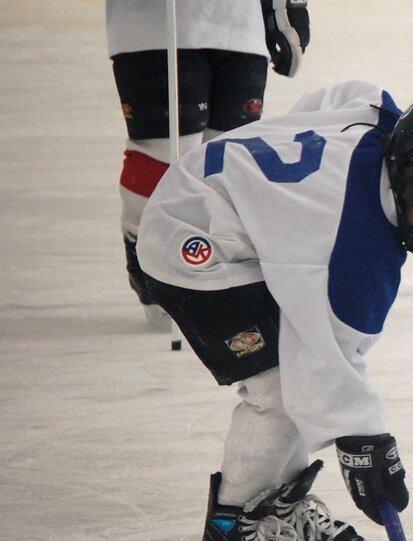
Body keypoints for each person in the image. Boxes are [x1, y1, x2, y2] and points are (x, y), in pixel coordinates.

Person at [135, 80, 413, 541]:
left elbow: (341, 96)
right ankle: (232, 533)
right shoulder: (351, 248)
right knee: (277, 390)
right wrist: (367, 444)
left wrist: (272, 203)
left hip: (220, 209)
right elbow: (325, 365)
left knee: (295, 379)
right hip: (191, 242)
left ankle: (278, 506)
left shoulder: (381, 126)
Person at [106, 0, 310, 328]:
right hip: (156, 27)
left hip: (242, 28)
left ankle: (218, 279)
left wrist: (286, 8)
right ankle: (148, 258)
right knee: (165, 161)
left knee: (229, 163)